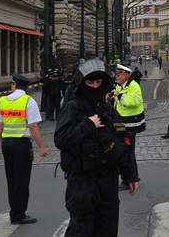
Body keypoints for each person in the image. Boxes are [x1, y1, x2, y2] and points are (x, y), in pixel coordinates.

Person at [54, 59, 139, 236]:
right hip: (82, 183)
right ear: (82, 84)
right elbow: (61, 139)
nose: (94, 86)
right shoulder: (72, 109)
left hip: (108, 180)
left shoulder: (107, 110)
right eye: (90, 82)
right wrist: (87, 125)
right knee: (81, 230)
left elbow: (124, 142)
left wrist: (130, 174)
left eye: (98, 82)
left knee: (107, 228)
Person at [0, 73, 48, 224]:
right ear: (26, 86)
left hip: (7, 144)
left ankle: (14, 211)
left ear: (14, 85)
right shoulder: (28, 101)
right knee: (22, 180)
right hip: (21, 145)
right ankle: (19, 214)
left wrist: (2, 141)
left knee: (11, 179)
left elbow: (0, 124)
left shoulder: (3, 100)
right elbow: (33, 126)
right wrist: (42, 147)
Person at [112, 64, 145, 180]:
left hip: (131, 124)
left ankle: (131, 178)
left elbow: (134, 102)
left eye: (119, 74)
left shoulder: (133, 85)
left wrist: (119, 95)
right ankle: (128, 177)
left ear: (125, 75)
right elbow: (117, 103)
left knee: (128, 153)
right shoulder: (120, 85)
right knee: (123, 152)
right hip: (121, 124)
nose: (116, 76)